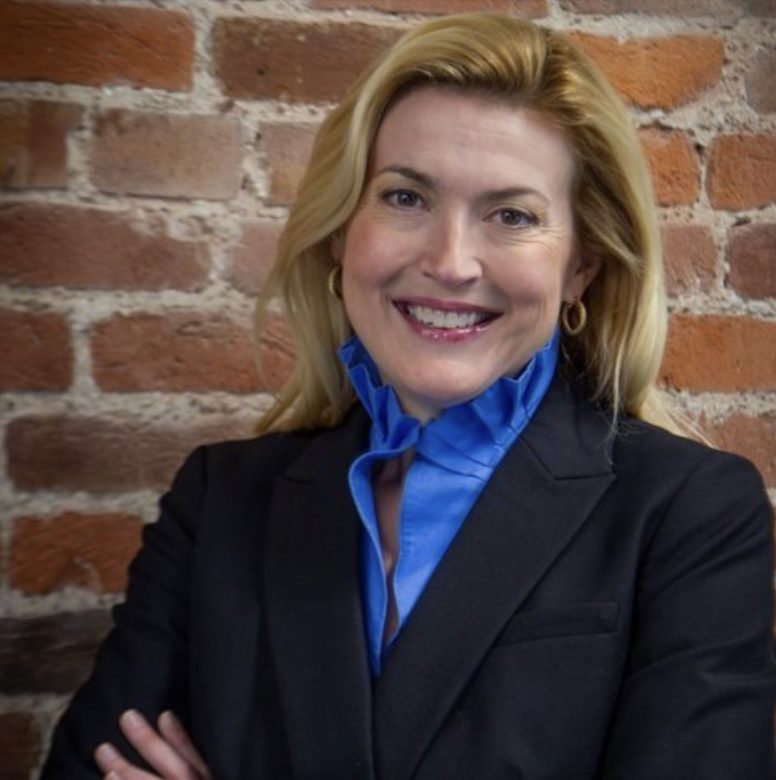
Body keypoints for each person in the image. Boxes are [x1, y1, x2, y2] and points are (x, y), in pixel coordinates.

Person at [42, 12, 774, 780]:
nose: (452, 262)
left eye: (512, 215)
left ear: (579, 269)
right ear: (340, 232)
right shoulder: (220, 503)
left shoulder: (688, 513)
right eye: (405, 198)